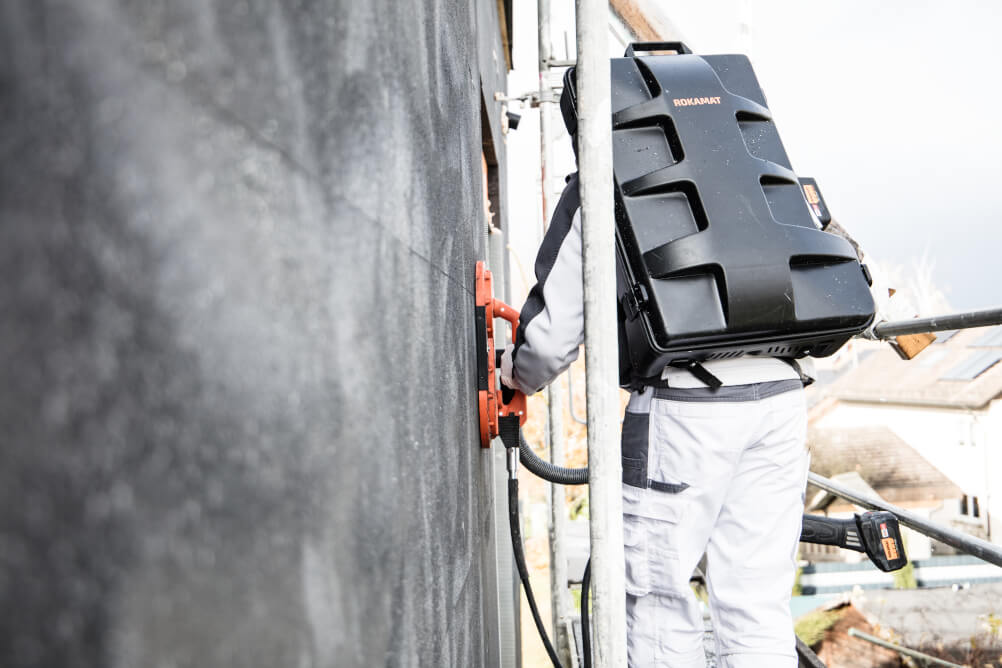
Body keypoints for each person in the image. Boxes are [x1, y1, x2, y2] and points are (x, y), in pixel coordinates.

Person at [501, 172, 812, 668]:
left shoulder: (603, 174)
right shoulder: (760, 161)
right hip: (781, 392)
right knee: (756, 603)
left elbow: (549, 342)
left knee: (656, 601)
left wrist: (514, 376)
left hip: (686, 402)